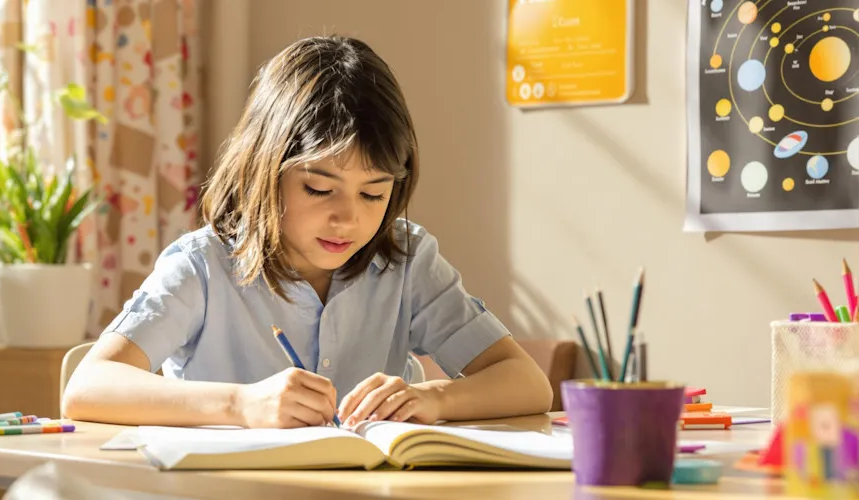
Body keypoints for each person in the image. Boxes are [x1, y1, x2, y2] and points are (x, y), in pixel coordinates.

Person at [63, 35, 551, 429]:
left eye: (373, 194)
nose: (348, 220)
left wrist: (433, 398)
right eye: (320, 189)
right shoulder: (203, 266)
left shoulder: (406, 260)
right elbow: (88, 388)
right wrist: (240, 405)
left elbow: (527, 382)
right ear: (264, 170)